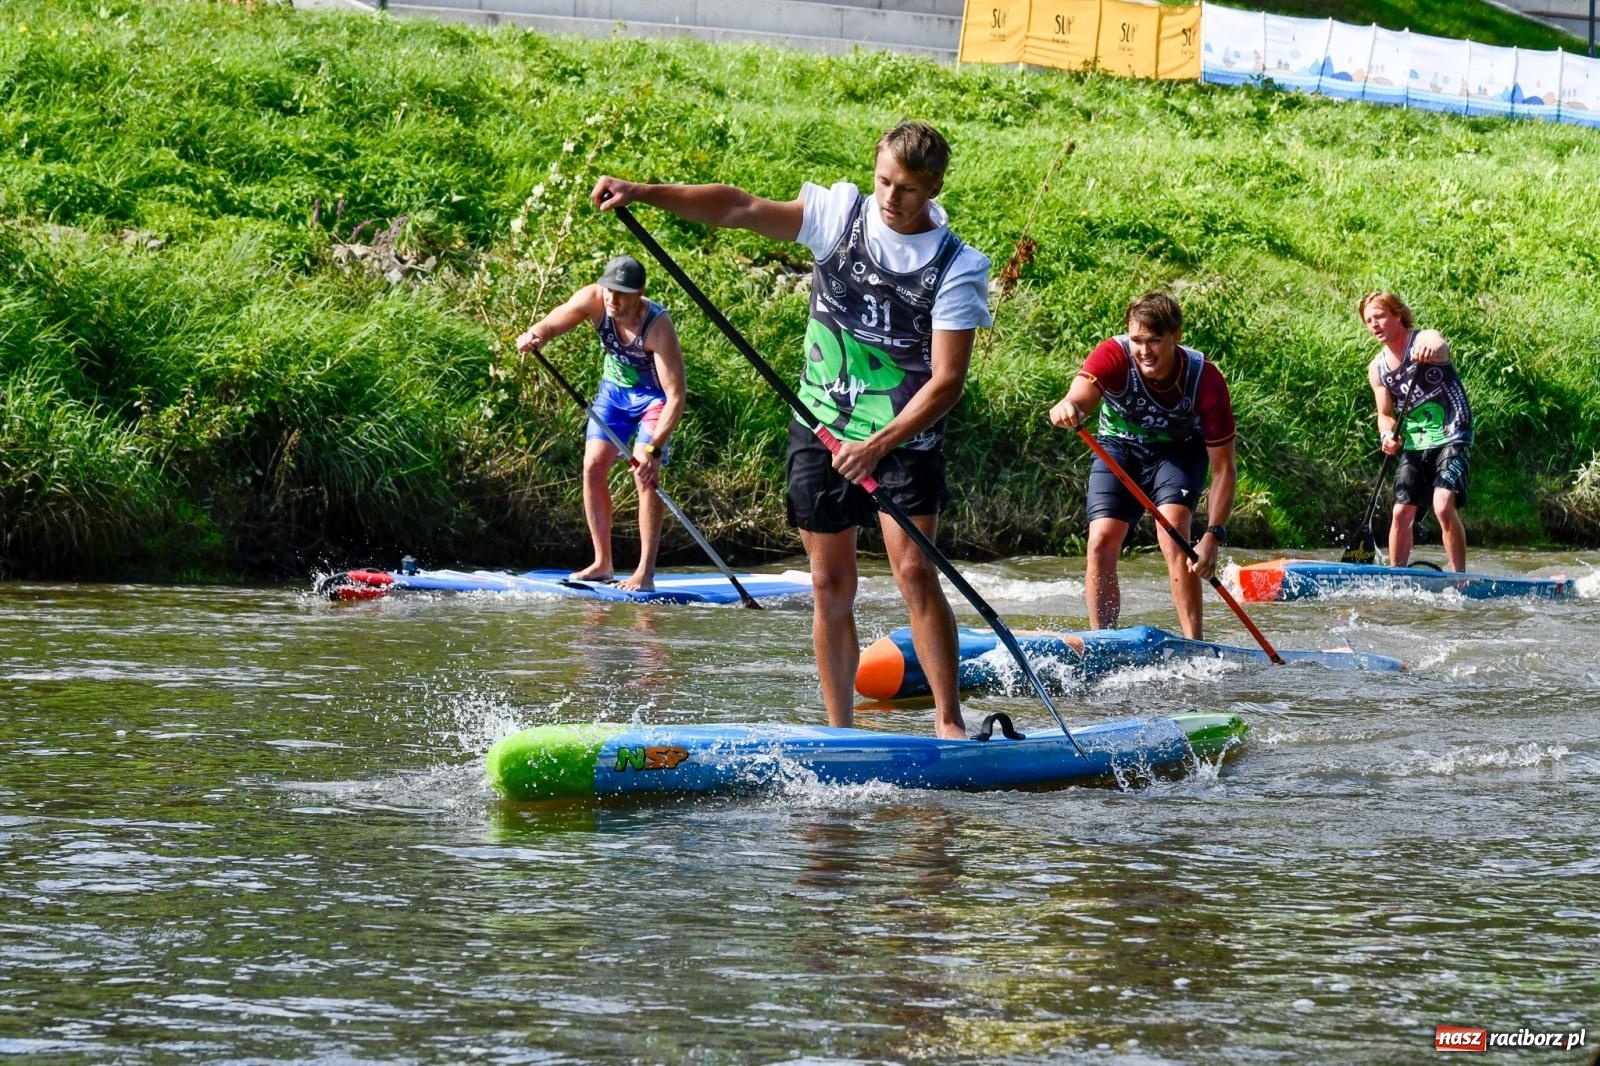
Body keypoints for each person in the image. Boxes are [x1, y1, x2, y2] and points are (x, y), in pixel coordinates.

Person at [590, 122, 992, 740]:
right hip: (821, 427)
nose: (890, 198)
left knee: (914, 573)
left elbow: (946, 382)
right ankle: (841, 733)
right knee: (830, 583)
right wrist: (643, 192)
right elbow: (738, 206)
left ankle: (948, 723)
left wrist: (877, 446)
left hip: (903, 440)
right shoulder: (839, 215)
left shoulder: (956, 266)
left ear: (934, 187)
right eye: (884, 180)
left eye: (908, 189)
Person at [1048, 293, 1236, 639]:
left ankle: (1194, 641)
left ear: (1175, 337)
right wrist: (1068, 405)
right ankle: (1103, 641)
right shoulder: (1112, 355)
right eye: (1137, 340)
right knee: (1102, 539)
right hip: (1119, 448)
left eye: (1154, 341)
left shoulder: (1206, 381)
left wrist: (1212, 535)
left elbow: (1224, 469)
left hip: (1178, 452)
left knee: (1175, 533)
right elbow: (1079, 395)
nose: (1144, 351)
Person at [515, 254, 686, 592]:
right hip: (614, 394)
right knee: (592, 465)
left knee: (644, 473)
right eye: (609, 290)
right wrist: (536, 335)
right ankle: (602, 563)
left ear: (639, 293)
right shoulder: (594, 299)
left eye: (621, 293)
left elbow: (677, 396)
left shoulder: (657, 325)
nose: (612, 299)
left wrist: (653, 450)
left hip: (655, 399)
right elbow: (555, 320)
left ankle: (644, 573)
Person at [1360, 291, 1472, 572]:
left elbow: (1440, 346)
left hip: (1452, 432)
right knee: (1401, 512)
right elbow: (1385, 415)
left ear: (1398, 315)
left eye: (1380, 316)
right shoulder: (1377, 369)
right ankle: (1397, 577)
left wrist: (1430, 351)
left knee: (1443, 505)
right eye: (1368, 320)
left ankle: (1460, 578)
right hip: (1416, 441)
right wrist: (1386, 435)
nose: (1374, 324)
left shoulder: (1423, 338)